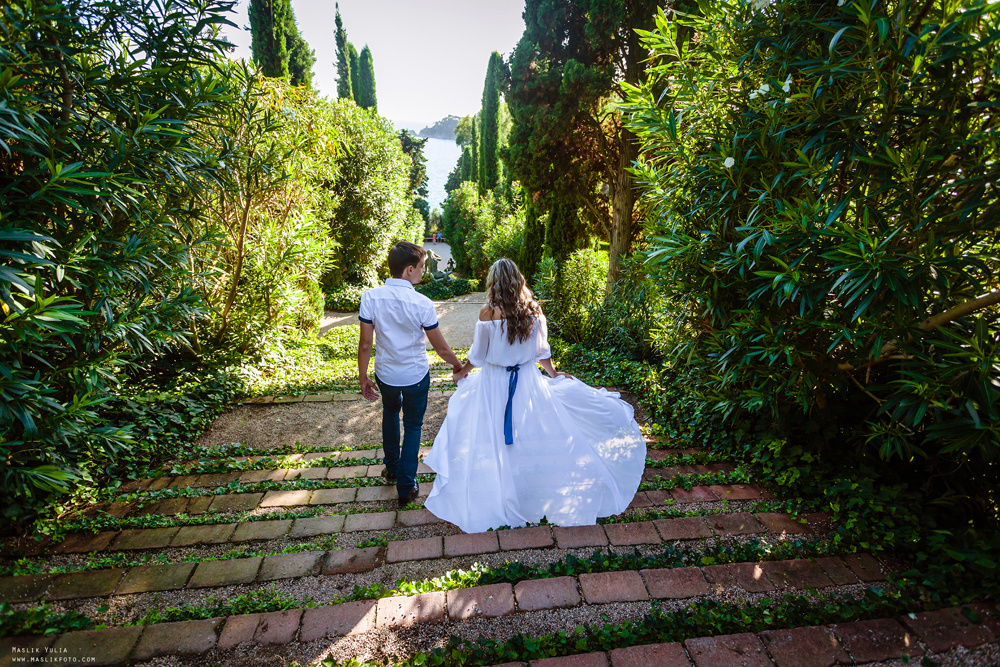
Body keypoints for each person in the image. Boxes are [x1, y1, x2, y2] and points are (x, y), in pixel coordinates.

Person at [424, 258, 646, 533]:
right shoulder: (534, 309)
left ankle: (504, 486)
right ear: (518, 280)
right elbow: (542, 351)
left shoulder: (488, 312)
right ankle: (527, 484)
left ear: (494, 282)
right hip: (527, 379)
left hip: (495, 382)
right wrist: (553, 374)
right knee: (526, 429)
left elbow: (479, 355)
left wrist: (461, 371)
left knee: (496, 433)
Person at [358, 241, 465, 507]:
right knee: (414, 425)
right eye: (421, 266)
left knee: (390, 413)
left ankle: (392, 469)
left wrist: (363, 377)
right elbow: (441, 348)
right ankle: (406, 487)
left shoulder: (370, 297)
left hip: (385, 374)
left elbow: (365, 344)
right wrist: (458, 365)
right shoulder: (422, 303)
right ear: (408, 270)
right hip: (415, 375)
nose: (423, 271)